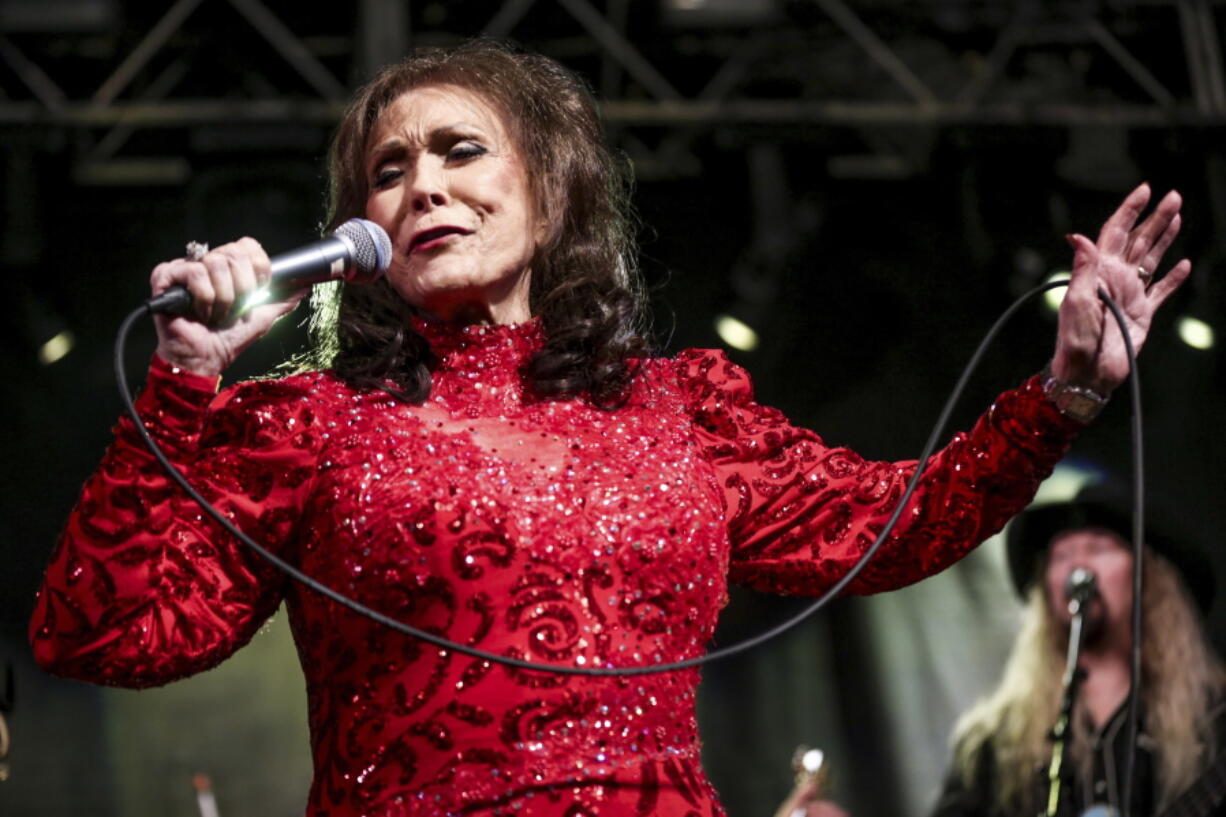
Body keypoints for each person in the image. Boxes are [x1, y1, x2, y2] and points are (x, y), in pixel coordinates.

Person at [29, 40, 1191, 817]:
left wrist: (1063, 397)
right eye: (387, 170)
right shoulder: (306, 424)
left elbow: (887, 523)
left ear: (551, 189)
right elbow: (101, 635)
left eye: (458, 150)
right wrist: (185, 381)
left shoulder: (680, 405)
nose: (422, 185)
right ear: (360, 229)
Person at [929, 482, 1226, 817]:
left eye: (1098, 548)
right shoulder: (994, 744)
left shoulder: (1212, 717)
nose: (1077, 568)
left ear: (1148, 576)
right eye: (1061, 556)